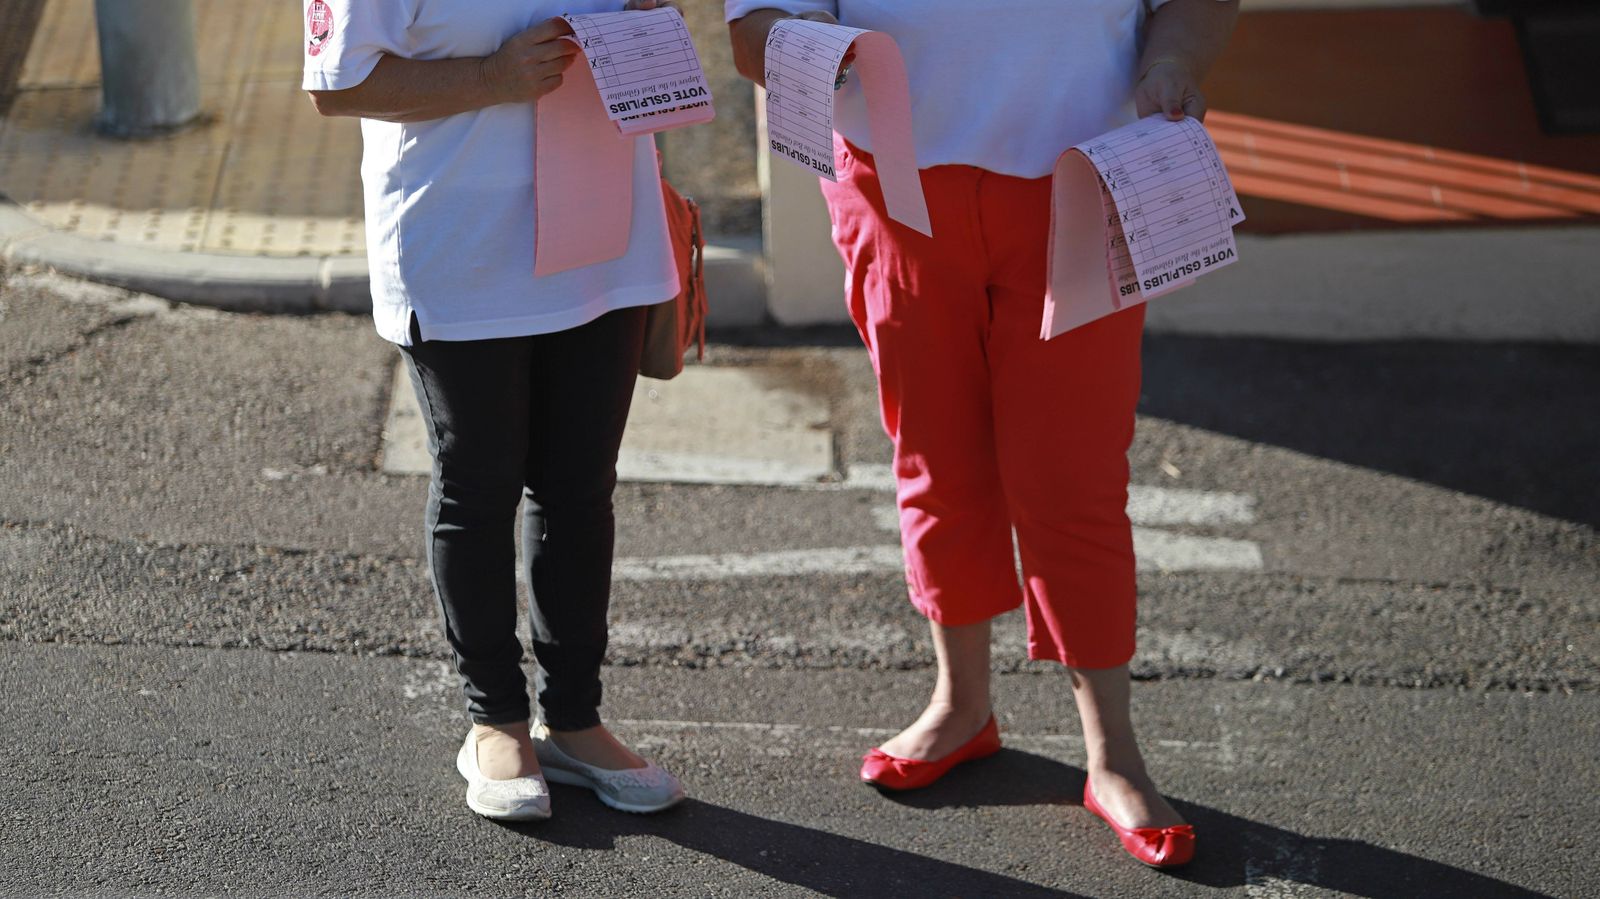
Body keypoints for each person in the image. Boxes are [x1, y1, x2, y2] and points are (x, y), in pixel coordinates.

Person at [728, 0, 1237, 867]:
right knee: (937, 453)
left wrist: (1172, 61)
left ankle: (1113, 752)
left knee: (1071, 472)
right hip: (892, 183)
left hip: (1086, 176)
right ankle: (961, 706)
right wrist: (816, 49)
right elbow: (754, 29)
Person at [304, 0, 689, 821]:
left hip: (606, 225)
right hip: (461, 243)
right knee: (480, 485)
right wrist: (491, 78)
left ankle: (575, 719)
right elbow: (336, 84)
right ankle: (497, 721)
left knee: (580, 486)